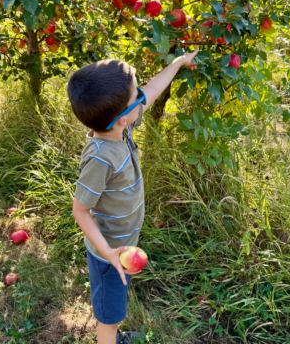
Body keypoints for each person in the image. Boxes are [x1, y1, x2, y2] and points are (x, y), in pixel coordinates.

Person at [67, 48, 198, 344]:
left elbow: (151, 89)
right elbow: (80, 211)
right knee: (108, 315)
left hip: (121, 245)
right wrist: (109, 253)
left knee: (115, 303)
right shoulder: (101, 159)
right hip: (109, 253)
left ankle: (113, 337)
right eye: (134, 95)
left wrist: (179, 62)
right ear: (124, 117)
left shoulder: (119, 128)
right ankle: (109, 338)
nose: (141, 96)